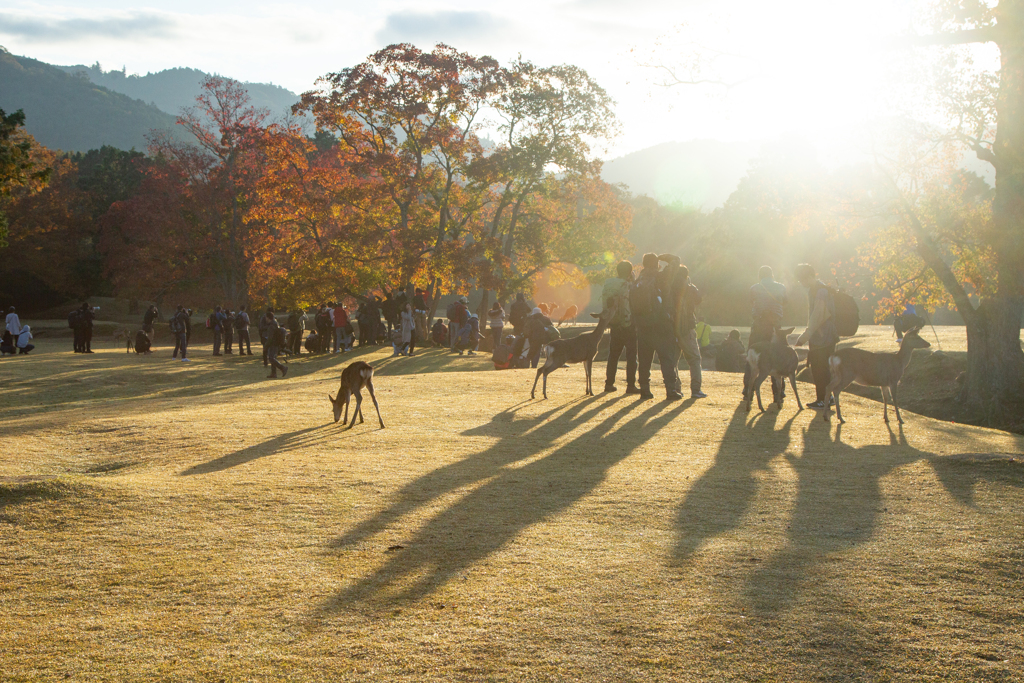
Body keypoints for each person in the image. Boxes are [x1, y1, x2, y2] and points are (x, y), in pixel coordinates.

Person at [632, 253, 684, 400]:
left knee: (644, 361)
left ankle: (644, 390)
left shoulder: (638, 281)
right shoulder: (661, 277)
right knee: (667, 359)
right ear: (656, 264)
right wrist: (663, 257)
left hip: (643, 326)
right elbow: (676, 261)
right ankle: (671, 390)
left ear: (643, 264)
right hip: (662, 325)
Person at [794, 263, 839, 408]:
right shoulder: (818, 289)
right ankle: (826, 398)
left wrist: (805, 336)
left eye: (802, 280)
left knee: (820, 368)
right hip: (824, 335)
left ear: (809, 277)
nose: (802, 283)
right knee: (821, 367)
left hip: (823, 336)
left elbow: (818, 315)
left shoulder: (820, 291)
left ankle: (824, 399)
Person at [746, 266, 788, 403]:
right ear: (772, 275)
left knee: (752, 353)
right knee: (777, 355)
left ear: (760, 276)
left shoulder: (754, 288)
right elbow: (785, 302)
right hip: (775, 325)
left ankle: (748, 389)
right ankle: (778, 390)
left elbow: (751, 302)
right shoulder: (781, 287)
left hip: (759, 324)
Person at [603, 260, 639, 394]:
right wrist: (634, 281)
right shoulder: (629, 285)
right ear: (630, 272)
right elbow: (633, 302)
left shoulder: (610, 283)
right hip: (628, 324)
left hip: (614, 323)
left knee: (613, 355)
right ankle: (631, 385)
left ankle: (609, 383)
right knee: (631, 356)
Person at [675, 265, 706, 399]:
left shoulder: (669, 287)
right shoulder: (689, 288)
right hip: (686, 327)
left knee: (673, 360)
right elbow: (699, 299)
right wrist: (690, 283)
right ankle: (695, 389)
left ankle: (675, 388)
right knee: (694, 359)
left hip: (671, 328)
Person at [264, 310, 288, 378]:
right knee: (273, 358)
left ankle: (283, 368)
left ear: (268, 318)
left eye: (266, 317)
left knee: (271, 358)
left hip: (273, 343)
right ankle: (273, 373)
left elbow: (270, 338)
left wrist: (266, 346)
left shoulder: (271, 326)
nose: (265, 319)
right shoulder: (275, 323)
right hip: (276, 343)